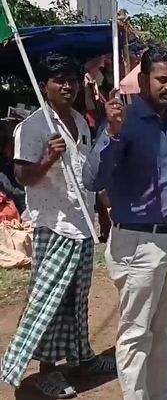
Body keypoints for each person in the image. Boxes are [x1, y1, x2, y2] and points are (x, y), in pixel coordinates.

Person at [1, 53, 116, 398]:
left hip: (82, 225)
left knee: (76, 299)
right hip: (53, 226)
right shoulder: (33, 127)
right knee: (48, 301)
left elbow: (87, 174)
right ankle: (43, 371)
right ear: (43, 87)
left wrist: (107, 211)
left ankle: (82, 357)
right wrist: (48, 158)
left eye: (72, 80)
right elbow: (22, 178)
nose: (68, 86)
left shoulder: (80, 121)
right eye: (59, 81)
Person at [83, 46, 167, 400]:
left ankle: (163, 394)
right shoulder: (123, 121)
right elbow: (93, 179)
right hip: (140, 243)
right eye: (162, 79)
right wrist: (113, 135)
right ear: (143, 80)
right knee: (136, 331)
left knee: (163, 328)